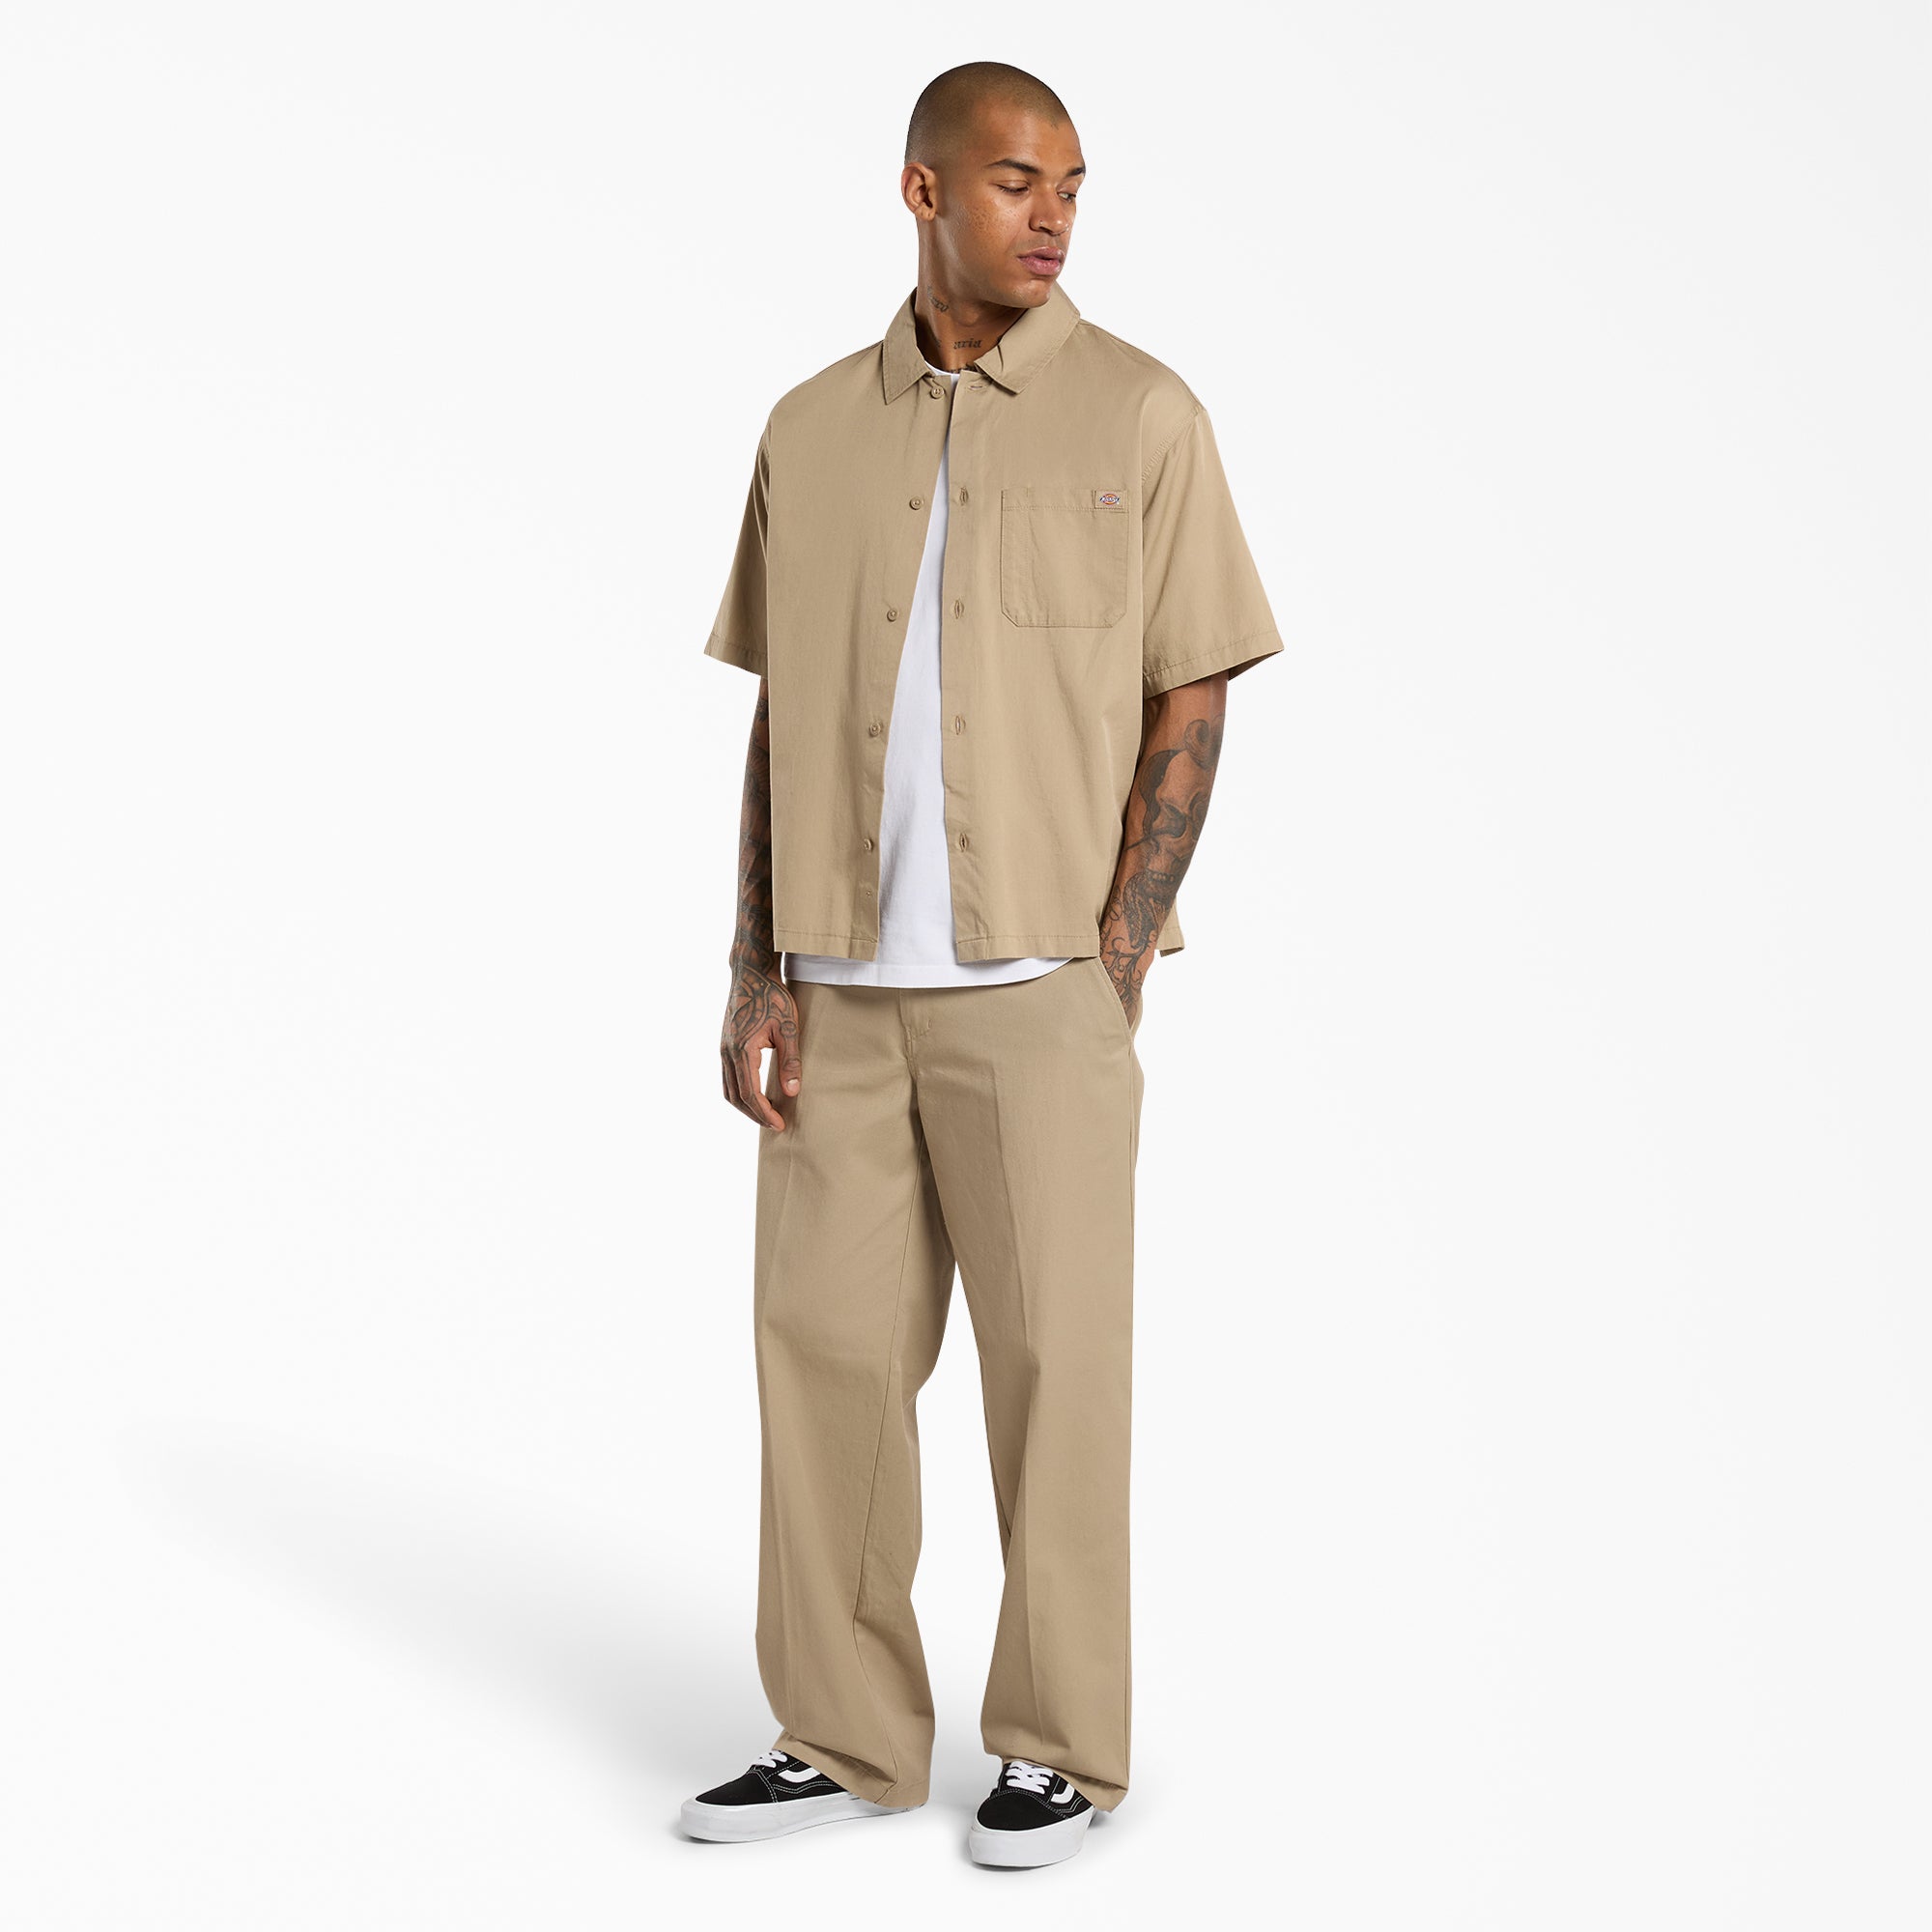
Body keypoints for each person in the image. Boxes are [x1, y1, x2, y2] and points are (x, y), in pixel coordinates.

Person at [682, 61, 1282, 1870]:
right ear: (924, 191)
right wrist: (755, 966)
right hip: (840, 987)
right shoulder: (809, 428)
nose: (1054, 216)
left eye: (1075, 185)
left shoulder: (1143, 414)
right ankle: (843, 1734)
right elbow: (783, 711)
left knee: (1057, 1376)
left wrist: (1119, 952)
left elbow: (1194, 686)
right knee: (823, 1365)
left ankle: (1060, 1749)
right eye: (1020, 180)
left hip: (1038, 993)